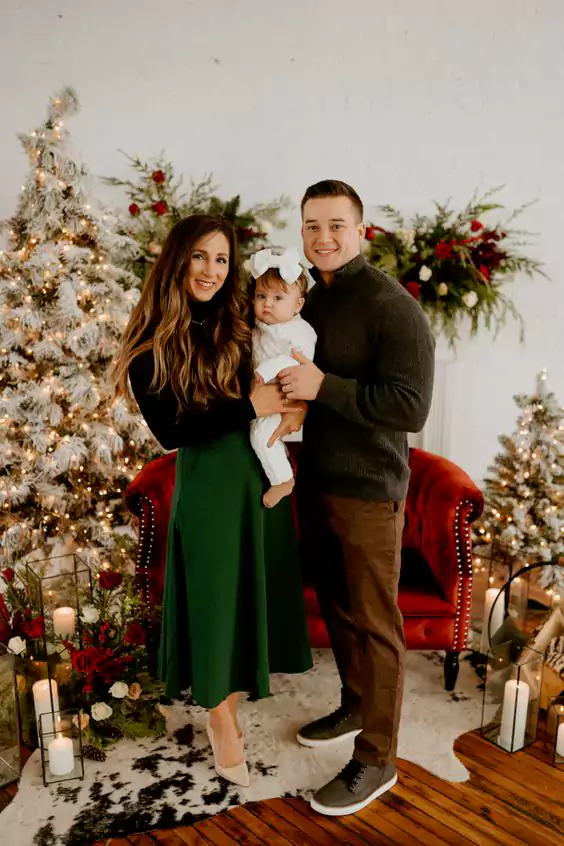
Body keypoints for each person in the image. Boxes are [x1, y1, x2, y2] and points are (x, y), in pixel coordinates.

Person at [112, 215, 312, 788]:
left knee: (246, 593)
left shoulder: (239, 322)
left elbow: (283, 368)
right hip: (207, 483)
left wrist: (293, 405)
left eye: (222, 260)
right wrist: (253, 404)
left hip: (258, 474)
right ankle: (220, 720)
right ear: (178, 259)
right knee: (213, 601)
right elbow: (173, 430)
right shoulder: (149, 341)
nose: (211, 270)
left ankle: (235, 700)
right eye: (200, 256)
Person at [275, 180, 435, 815]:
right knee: (340, 609)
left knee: (374, 623)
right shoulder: (313, 297)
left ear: (361, 230)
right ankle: (355, 703)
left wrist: (323, 386)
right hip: (317, 480)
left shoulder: (392, 307)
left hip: (369, 490)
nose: (323, 237)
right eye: (313, 226)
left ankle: (377, 759)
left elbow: (410, 407)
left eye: (336, 225)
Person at [248, 246, 317, 508]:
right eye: (261, 296)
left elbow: (298, 361)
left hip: (282, 393)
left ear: (298, 304)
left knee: (262, 437)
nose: (267, 303)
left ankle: (283, 480)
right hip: (260, 394)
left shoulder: (299, 331)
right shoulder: (261, 326)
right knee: (259, 434)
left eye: (278, 298)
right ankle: (279, 462)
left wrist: (266, 371)